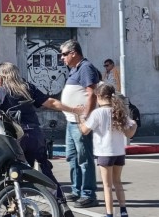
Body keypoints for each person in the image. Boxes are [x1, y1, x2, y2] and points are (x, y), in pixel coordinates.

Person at [0, 62, 80, 217]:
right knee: (45, 170)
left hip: (15, 139)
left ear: (2, 76)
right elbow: (50, 102)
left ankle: (15, 207)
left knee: (7, 174)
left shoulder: (0, 93)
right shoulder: (27, 88)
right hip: (35, 136)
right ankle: (62, 204)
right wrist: (72, 109)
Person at [78, 83, 137, 217]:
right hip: (118, 152)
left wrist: (80, 118)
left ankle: (109, 213)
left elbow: (85, 131)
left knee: (107, 185)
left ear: (98, 96)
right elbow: (129, 133)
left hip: (104, 153)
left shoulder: (97, 113)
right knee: (118, 182)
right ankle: (123, 211)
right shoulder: (119, 112)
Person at [60, 39, 99, 208]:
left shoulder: (85, 67)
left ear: (73, 53)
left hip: (80, 122)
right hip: (71, 121)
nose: (62, 58)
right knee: (73, 158)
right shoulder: (74, 69)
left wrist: (86, 116)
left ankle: (88, 194)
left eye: (64, 54)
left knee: (84, 158)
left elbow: (92, 94)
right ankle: (77, 190)